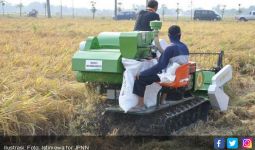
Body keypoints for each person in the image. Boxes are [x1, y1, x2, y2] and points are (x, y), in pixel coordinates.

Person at [132, 25, 189, 111]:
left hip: (170, 78)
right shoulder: (184, 47)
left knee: (140, 79)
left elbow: (159, 67)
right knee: (166, 72)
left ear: (169, 35)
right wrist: (156, 58)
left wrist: (142, 73)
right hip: (179, 77)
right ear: (180, 34)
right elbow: (172, 61)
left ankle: (140, 105)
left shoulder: (170, 48)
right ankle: (163, 100)